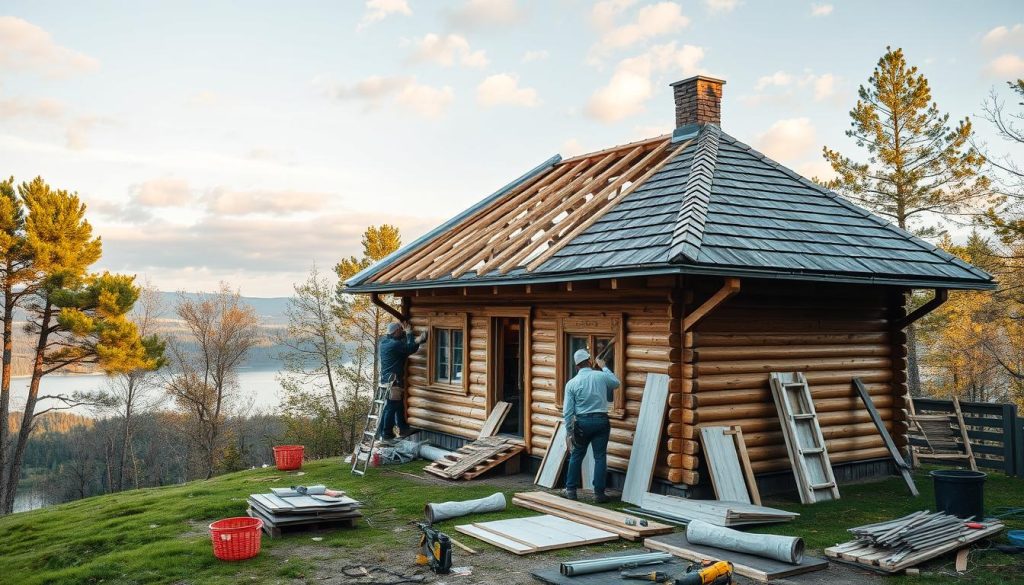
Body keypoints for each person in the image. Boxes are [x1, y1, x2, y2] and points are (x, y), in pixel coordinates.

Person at [562, 347, 620, 502]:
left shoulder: (572, 384)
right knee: (600, 457)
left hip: (582, 423)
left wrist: (568, 432)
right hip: (601, 421)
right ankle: (599, 494)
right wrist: (604, 366)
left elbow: (568, 412)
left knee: (577, 455)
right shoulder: (600, 376)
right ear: (589, 361)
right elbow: (616, 383)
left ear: (576, 366)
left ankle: (571, 490)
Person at [378, 321, 426, 442]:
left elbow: (402, 343)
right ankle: (387, 434)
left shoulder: (384, 342)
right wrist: (411, 333)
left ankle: (402, 428)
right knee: (391, 406)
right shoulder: (394, 345)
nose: (402, 331)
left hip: (386, 380)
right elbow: (409, 348)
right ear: (396, 331)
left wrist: (413, 339)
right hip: (393, 382)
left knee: (397, 406)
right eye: (401, 329)